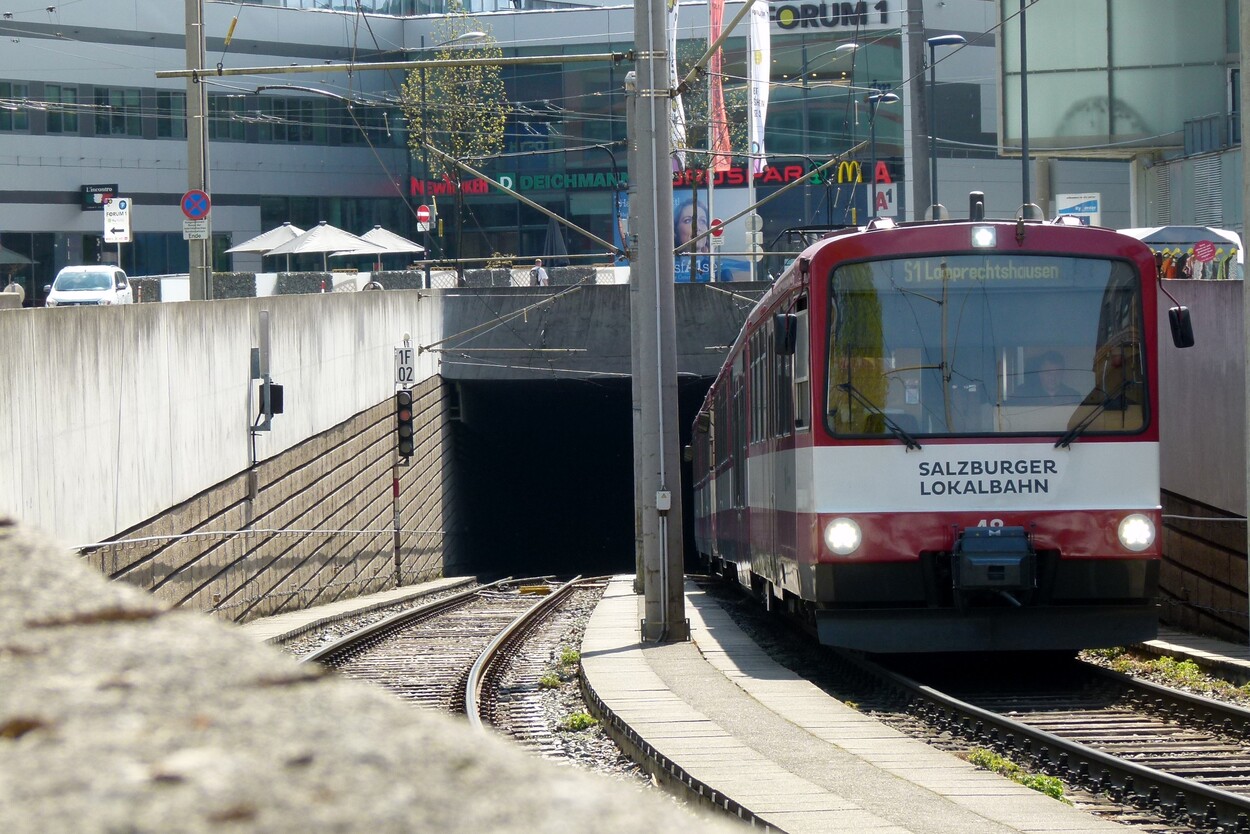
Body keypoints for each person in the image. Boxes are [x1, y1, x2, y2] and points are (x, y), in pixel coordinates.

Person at [1014, 351, 1083, 404]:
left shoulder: (1073, 396)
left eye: (1057, 373)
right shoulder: (1025, 396)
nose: (1053, 377)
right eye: (1048, 373)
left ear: (1063, 374)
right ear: (1040, 373)